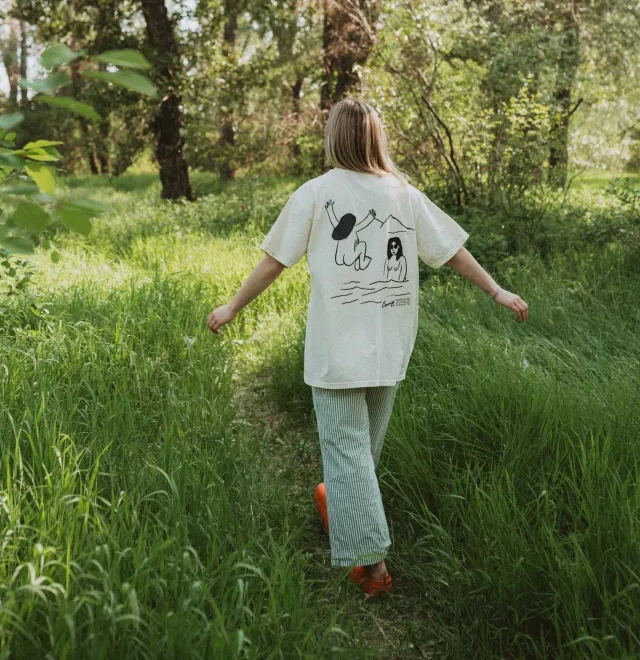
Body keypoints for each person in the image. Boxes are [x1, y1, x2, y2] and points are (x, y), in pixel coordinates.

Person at [206, 97, 528, 598]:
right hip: (389, 347)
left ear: (334, 137)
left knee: (347, 449)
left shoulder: (316, 192)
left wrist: (231, 306)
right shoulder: (402, 193)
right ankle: (337, 501)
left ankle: (373, 566)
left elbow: (274, 262)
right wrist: (496, 290)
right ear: (377, 138)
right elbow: (452, 251)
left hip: (337, 350)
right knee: (362, 452)